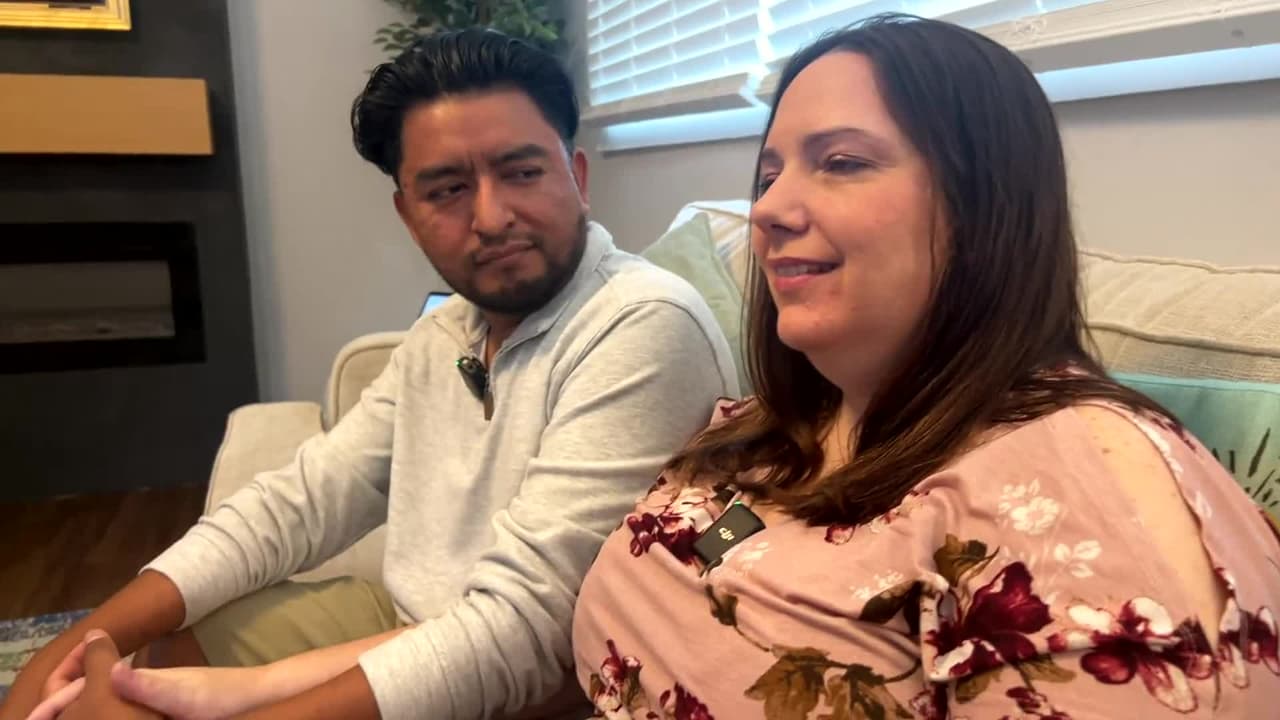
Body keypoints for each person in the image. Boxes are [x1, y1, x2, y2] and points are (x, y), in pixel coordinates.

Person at [4, 29, 739, 720]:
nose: (491, 217)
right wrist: (72, 645)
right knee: (159, 651)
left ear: (577, 177)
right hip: (406, 625)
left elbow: (526, 632)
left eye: (521, 172)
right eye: (447, 189)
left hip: (545, 682)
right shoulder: (447, 332)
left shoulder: (641, 324)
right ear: (407, 214)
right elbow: (303, 499)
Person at [570, 14, 1280, 720]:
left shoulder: (1078, 493)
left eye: (841, 162)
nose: (768, 209)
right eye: (769, 175)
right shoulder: (768, 426)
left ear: (982, 204)